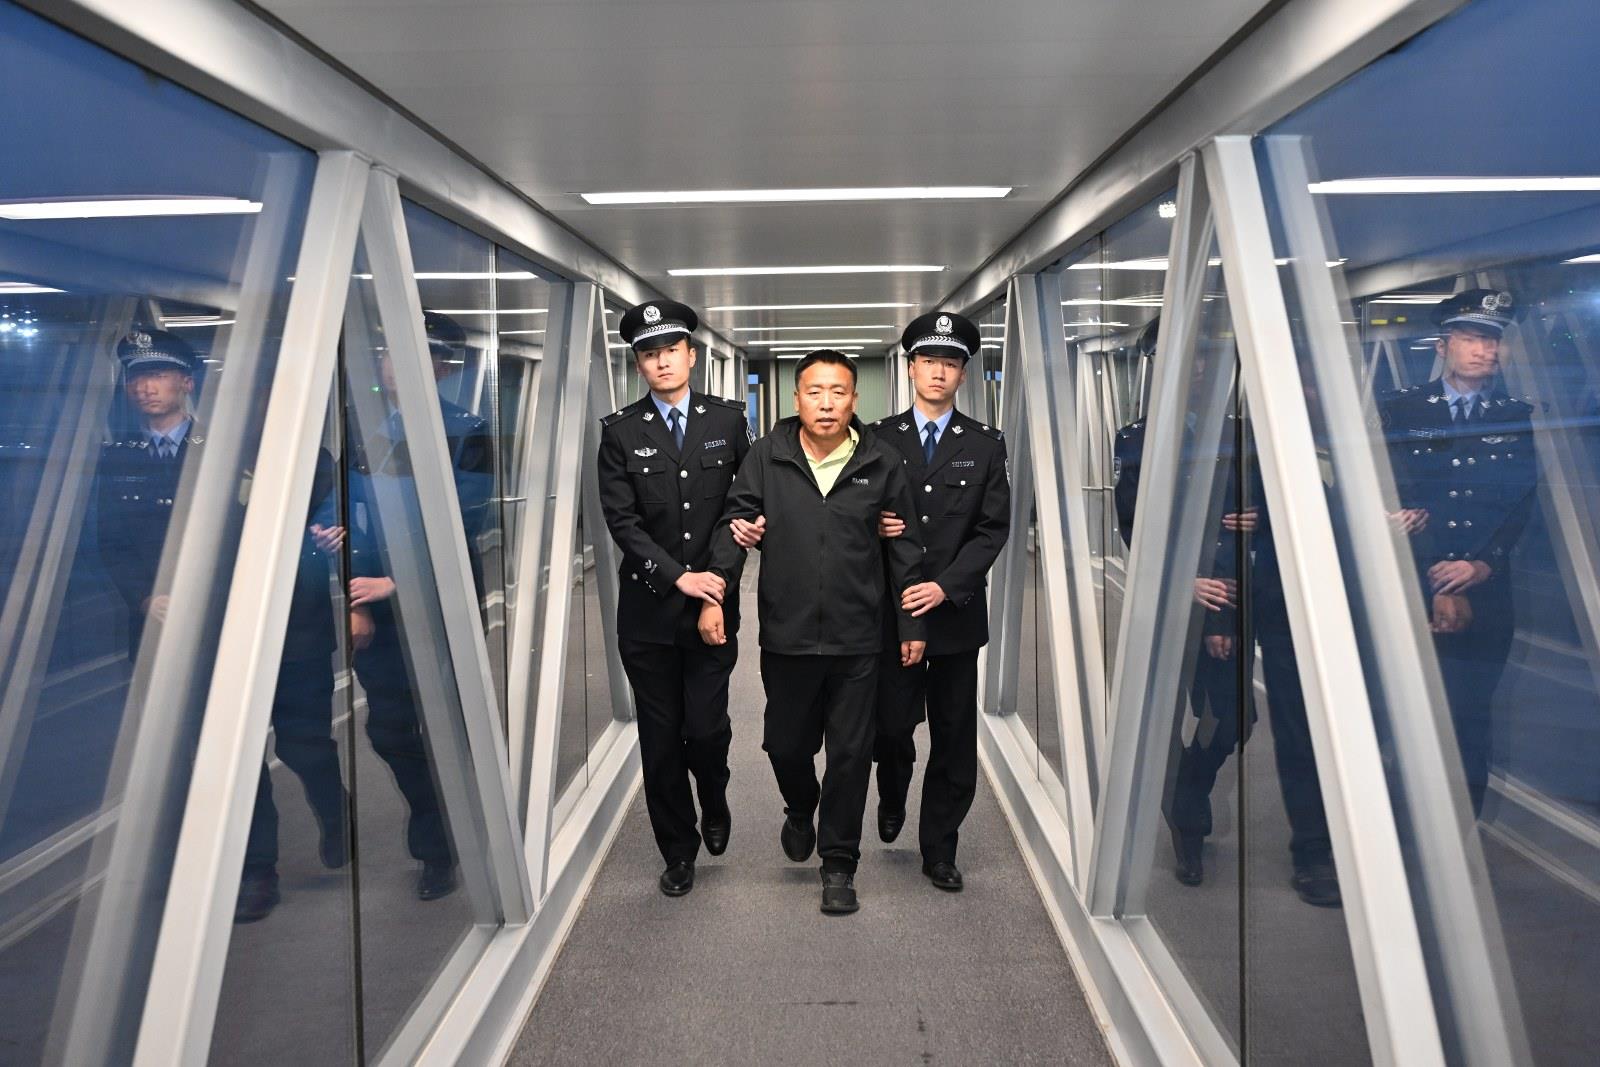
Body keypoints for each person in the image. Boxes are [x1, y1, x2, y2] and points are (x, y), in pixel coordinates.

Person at [1113, 318, 1338, 907]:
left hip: (1259, 593)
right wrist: (1191, 583)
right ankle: (1188, 818)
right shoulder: (1138, 440)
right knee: (1208, 716)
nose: (1196, 369)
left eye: (1204, 357)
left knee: (1256, 720)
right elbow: (1136, 527)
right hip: (1196, 598)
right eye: (1183, 358)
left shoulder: (1244, 433)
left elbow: (1293, 501)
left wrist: (1267, 517)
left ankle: (1199, 796)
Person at [710, 350, 926, 915]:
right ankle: (800, 805)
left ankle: (839, 864)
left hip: (860, 636)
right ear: (796, 398)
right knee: (785, 745)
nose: (826, 403)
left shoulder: (882, 461)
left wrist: (911, 622)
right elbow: (735, 525)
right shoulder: (767, 456)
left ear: (855, 399)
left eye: (837, 392)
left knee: (851, 753)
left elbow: (905, 548)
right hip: (788, 634)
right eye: (815, 391)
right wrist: (716, 593)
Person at [596, 299, 750, 898]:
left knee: (706, 730)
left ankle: (714, 795)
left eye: (670, 351)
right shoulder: (619, 432)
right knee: (661, 741)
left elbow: (742, 510)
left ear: (692, 356)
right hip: (649, 613)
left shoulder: (728, 422)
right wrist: (676, 576)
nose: (661, 362)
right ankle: (678, 851)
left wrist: (714, 584)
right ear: (639, 364)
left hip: (713, 607)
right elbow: (623, 521)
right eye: (649, 354)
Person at [344, 311, 493, 901]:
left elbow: (465, 519)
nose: (393, 364)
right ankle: (437, 824)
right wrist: (357, 593)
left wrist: (400, 581)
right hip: (376, 608)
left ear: (442, 368)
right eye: (388, 353)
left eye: (415, 354)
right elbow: (349, 517)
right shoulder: (365, 428)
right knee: (389, 730)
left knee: (451, 725)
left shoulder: (469, 431)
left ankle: (445, 844)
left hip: (442, 603)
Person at [1379, 288, 1536, 816]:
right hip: (1412, 583)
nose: (1484, 351)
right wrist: (1436, 576)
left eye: (1493, 341)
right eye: (1472, 338)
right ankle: (1398, 827)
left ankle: (1462, 833)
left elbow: (1522, 501)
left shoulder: (1513, 414)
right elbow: (1389, 493)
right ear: (1444, 345)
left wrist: (1482, 563)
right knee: (1406, 710)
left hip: (1486, 589)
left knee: (1471, 715)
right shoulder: (1401, 410)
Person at [869, 311, 1010, 892]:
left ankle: (940, 848)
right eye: (929, 361)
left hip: (953, 616)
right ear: (911, 368)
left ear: (962, 374)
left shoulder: (985, 444)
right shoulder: (876, 439)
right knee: (890, 727)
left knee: (953, 737)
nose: (938, 372)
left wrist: (946, 586)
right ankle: (893, 790)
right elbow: (851, 514)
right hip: (892, 612)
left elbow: (992, 529)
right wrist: (872, 525)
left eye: (950, 364)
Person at [98, 327, 207, 655]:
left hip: (213, 610)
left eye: (158, 375)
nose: (145, 388)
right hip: (151, 620)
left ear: (186, 383)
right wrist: (144, 598)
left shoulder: (219, 448)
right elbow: (111, 540)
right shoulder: (118, 457)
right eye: (136, 377)